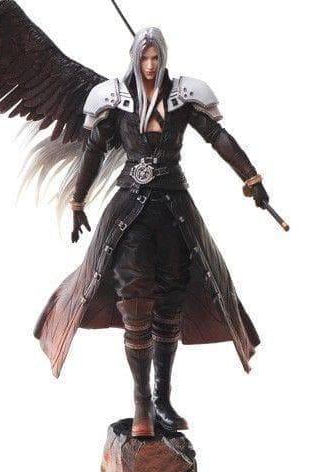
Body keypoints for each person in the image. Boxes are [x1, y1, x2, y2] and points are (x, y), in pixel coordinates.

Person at [34, 27, 269, 437]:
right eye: (143, 58)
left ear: (163, 58)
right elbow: (94, 149)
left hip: (175, 211)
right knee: (136, 308)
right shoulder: (115, 99)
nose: (149, 65)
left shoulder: (183, 96)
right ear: (134, 59)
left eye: (155, 58)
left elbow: (217, 137)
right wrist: (77, 202)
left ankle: (162, 400)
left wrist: (251, 179)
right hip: (131, 214)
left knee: (171, 305)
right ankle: (142, 408)